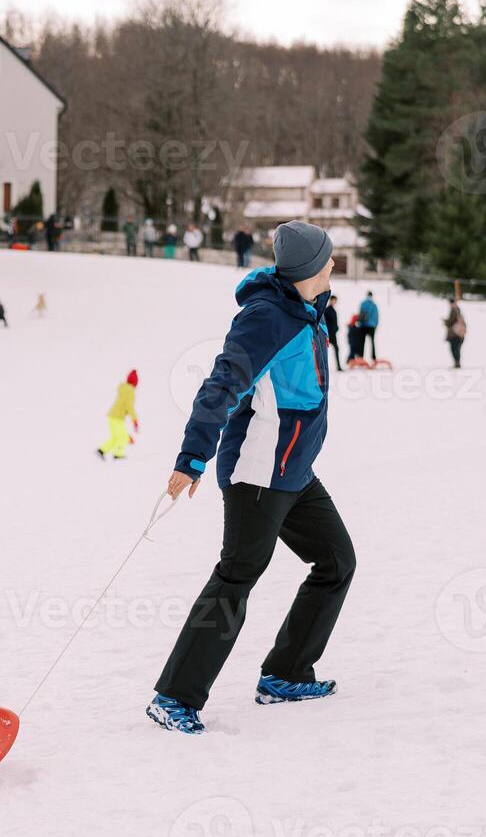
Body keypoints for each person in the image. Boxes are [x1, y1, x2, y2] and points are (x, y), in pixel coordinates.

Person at [148, 220, 356, 735]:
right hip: (258, 473)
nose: (334, 264)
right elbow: (222, 385)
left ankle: (284, 675)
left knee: (335, 561)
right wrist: (191, 456)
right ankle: (173, 697)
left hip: (294, 472)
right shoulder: (267, 319)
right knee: (237, 576)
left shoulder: (308, 311)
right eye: (329, 258)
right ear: (312, 267)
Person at [96, 369, 140, 461]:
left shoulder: (123, 389)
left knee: (116, 437)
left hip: (112, 416)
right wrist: (135, 420)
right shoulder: (130, 391)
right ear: (135, 383)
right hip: (118, 417)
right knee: (123, 437)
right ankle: (118, 454)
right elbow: (130, 406)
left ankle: (101, 450)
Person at [444, 296, 467, 369]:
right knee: (456, 348)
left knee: (454, 348)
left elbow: (451, 321)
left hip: (455, 334)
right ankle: (457, 363)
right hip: (459, 334)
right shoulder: (458, 310)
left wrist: (446, 322)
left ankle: (457, 363)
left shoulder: (454, 310)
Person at [358, 291, 379, 361]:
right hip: (371, 326)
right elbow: (376, 316)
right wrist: (375, 325)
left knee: (362, 342)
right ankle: (373, 357)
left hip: (363, 326)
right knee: (372, 342)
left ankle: (361, 356)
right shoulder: (374, 305)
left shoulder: (363, 304)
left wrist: (360, 324)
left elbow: (360, 314)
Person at [323, 295, 342, 372]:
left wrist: (336, 328)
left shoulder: (333, 310)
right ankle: (323, 367)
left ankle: (338, 366)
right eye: (334, 300)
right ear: (331, 300)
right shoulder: (327, 310)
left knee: (336, 349)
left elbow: (334, 322)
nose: (335, 302)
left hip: (333, 334)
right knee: (324, 351)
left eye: (335, 301)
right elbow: (325, 322)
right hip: (328, 334)